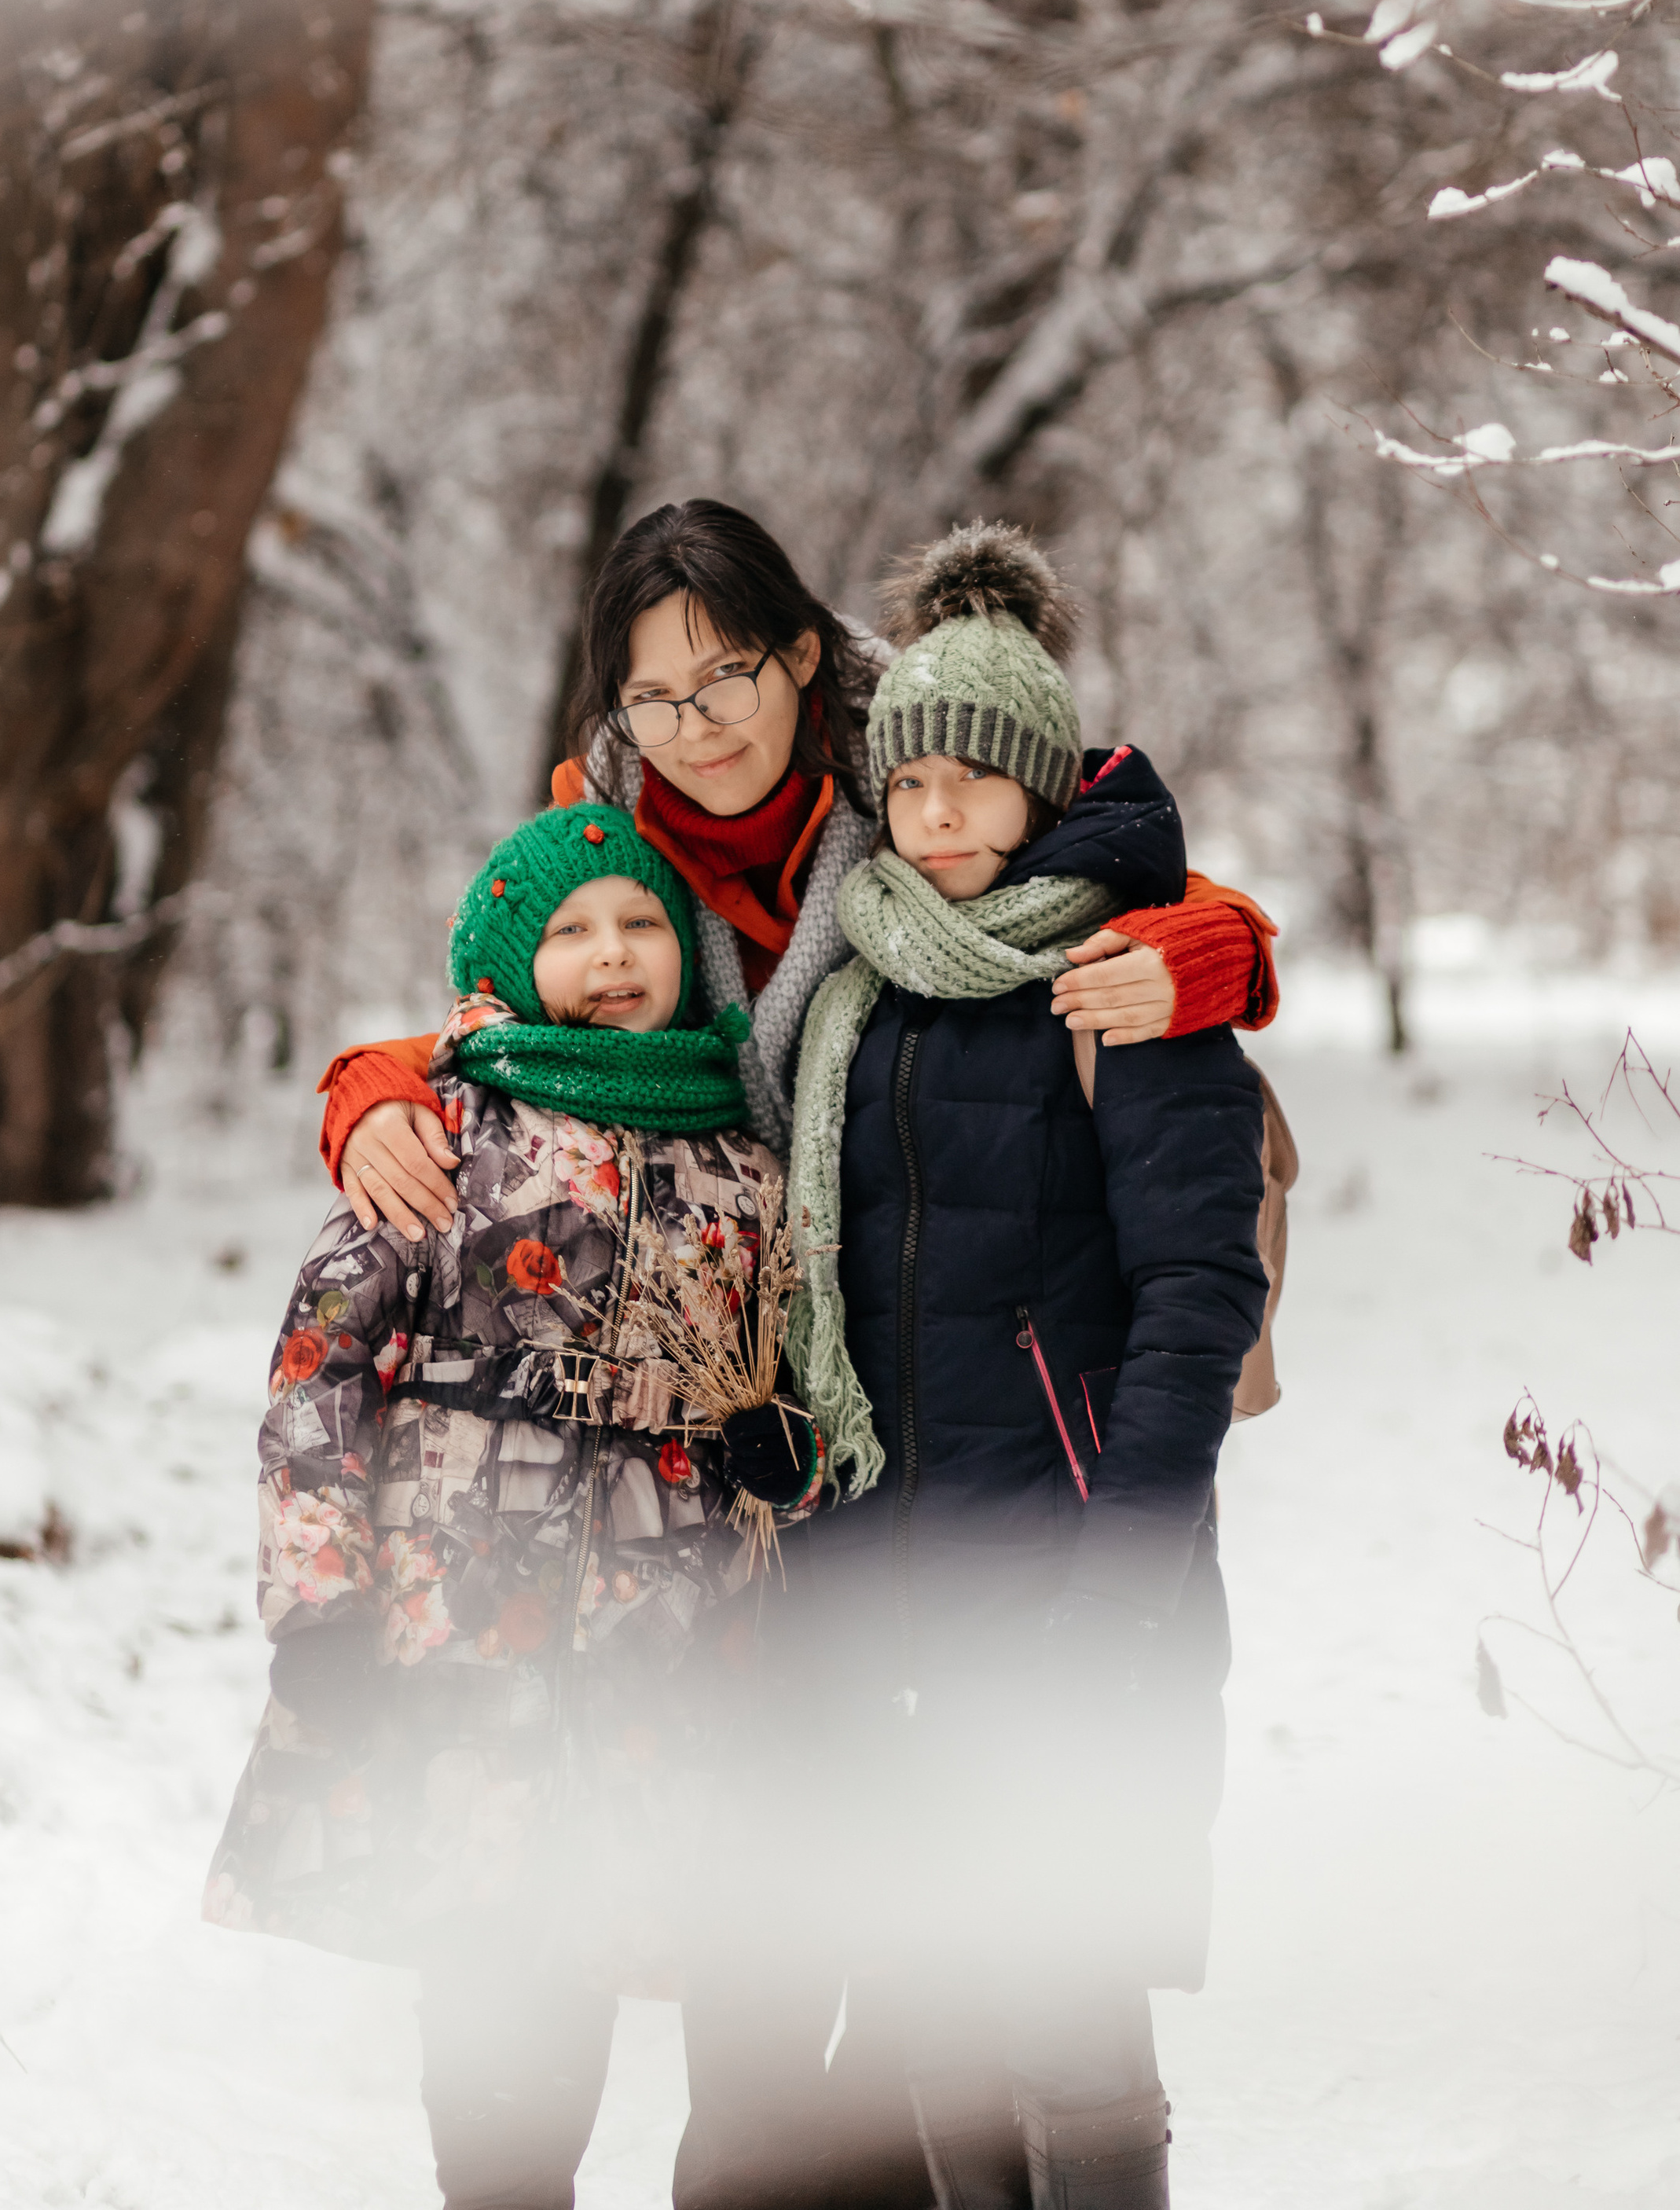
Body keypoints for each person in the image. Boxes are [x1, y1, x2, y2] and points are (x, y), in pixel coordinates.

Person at [204, 801, 825, 2210]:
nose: (611, 956)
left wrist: (776, 1444)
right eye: (571, 931)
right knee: (499, 2015)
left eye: (641, 924)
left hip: (667, 1655)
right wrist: (319, 1605)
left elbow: (789, 1371)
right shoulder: (444, 1135)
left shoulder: (742, 1157)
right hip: (464, 1644)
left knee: (624, 1945)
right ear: (505, 954)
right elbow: (321, 1373)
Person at [780, 523, 1271, 2210]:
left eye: (968, 786)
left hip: (1065, 1574)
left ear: (1040, 790)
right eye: (904, 786)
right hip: (886, 1582)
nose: (931, 816)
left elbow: (1197, 1290)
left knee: (1062, 2002)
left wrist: (1119, 1578)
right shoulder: (862, 984)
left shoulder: (1128, 979)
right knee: (930, 2001)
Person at [319, 501, 1279, 1251]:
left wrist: (1210, 947)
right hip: (725, 1309)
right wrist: (379, 1081)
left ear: (802, 653)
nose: (696, 731)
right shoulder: (607, 839)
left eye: (728, 676)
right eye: (651, 700)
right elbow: (522, 1015)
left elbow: (1100, 855)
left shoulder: (919, 770)